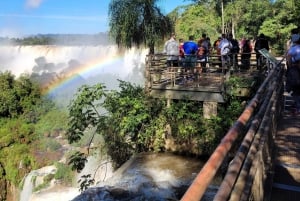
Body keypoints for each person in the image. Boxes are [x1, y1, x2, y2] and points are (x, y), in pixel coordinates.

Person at [286, 35, 300, 115]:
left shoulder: (294, 48)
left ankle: (297, 107)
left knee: (295, 87)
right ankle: (297, 106)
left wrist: (290, 65)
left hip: (296, 69)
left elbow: (288, 57)